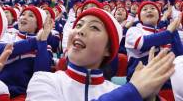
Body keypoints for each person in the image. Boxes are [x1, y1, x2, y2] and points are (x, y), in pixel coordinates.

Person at [26, 8, 175, 101]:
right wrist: (132, 91)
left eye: (94, 28)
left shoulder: (116, 91)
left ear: (108, 50)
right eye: (78, 25)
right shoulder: (43, 80)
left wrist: (149, 98)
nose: (80, 30)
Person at [125, 1, 183, 85]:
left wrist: (174, 33)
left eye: (153, 8)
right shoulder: (133, 30)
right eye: (145, 9)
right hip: (139, 83)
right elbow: (141, 44)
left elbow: (179, 56)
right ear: (140, 17)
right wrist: (169, 32)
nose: (149, 10)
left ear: (159, 16)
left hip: (167, 82)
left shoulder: (165, 33)